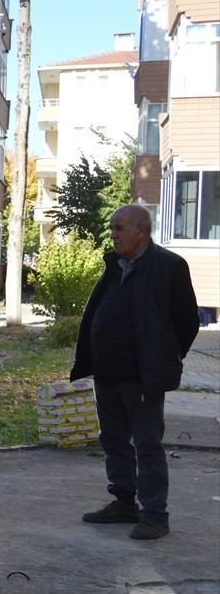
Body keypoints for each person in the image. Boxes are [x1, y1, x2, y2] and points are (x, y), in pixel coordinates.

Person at [72, 204, 198, 540]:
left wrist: (164, 358)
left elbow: (187, 322)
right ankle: (124, 503)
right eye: (112, 228)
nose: (112, 234)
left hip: (141, 376)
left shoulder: (169, 266)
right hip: (107, 371)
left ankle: (155, 514)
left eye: (119, 228)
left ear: (141, 230)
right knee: (113, 441)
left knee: (147, 444)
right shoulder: (115, 266)